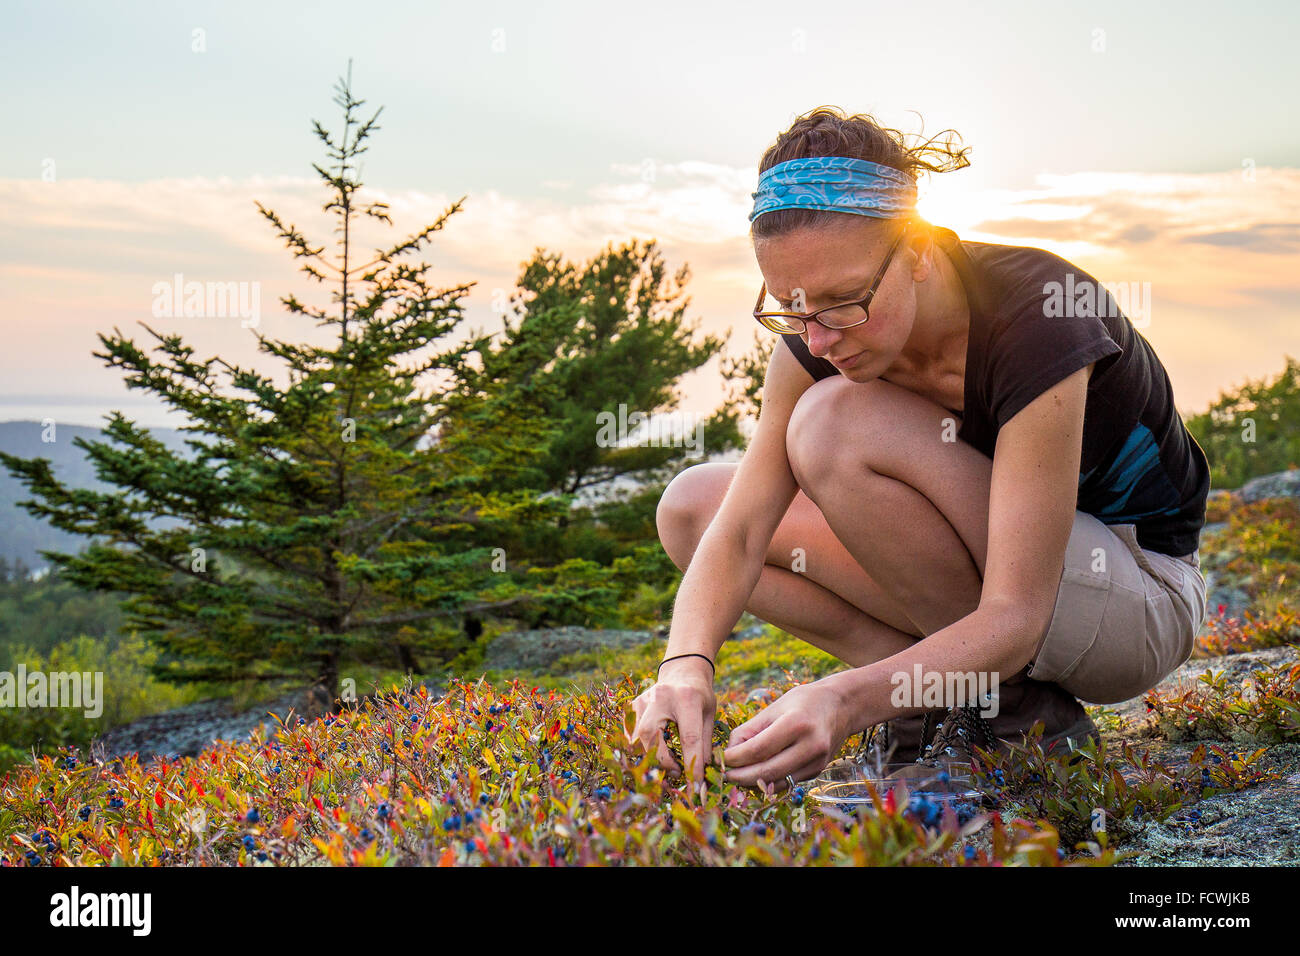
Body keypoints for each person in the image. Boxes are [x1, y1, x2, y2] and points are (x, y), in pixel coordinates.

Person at [627, 106, 1211, 790]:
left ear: (922, 251)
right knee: (694, 510)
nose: (816, 339)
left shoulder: (1041, 314)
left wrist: (844, 699)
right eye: (790, 306)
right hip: (1011, 583)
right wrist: (684, 666)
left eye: (844, 302)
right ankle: (948, 713)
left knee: (832, 424)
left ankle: (1007, 721)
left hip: (1135, 593)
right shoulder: (818, 336)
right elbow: (740, 530)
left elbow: (1016, 614)